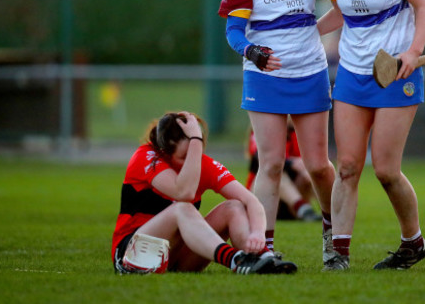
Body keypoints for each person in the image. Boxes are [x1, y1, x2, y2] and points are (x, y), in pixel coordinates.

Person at [316, 0, 425, 271]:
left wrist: (413, 52)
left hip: (395, 73)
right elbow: (344, 13)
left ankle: (412, 242)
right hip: (352, 72)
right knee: (347, 166)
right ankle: (339, 253)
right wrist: (308, 31)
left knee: (385, 169)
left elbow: (424, 6)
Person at [218, 0, 336, 264]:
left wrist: (313, 31)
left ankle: (335, 238)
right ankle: (264, 247)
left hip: (310, 73)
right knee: (270, 164)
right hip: (265, 77)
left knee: (318, 165)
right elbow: (234, 32)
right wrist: (252, 52)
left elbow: (347, 5)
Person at [111, 111, 297, 275]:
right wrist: (196, 140)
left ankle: (260, 258)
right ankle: (236, 260)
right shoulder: (146, 156)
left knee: (234, 206)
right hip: (133, 254)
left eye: (197, 152)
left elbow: (251, 201)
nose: (194, 161)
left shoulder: (201, 162)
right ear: (164, 152)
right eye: (186, 156)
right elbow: (184, 192)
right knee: (181, 209)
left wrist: (257, 234)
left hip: (176, 259)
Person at [245, 122, 322, 222]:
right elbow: (258, 159)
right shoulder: (261, 128)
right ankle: (303, 208)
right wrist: (291, 163)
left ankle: (330, 209)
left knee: (309, 174)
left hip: (291, 206)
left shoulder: (297, 133)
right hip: (263, 201)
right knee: (274, 173)